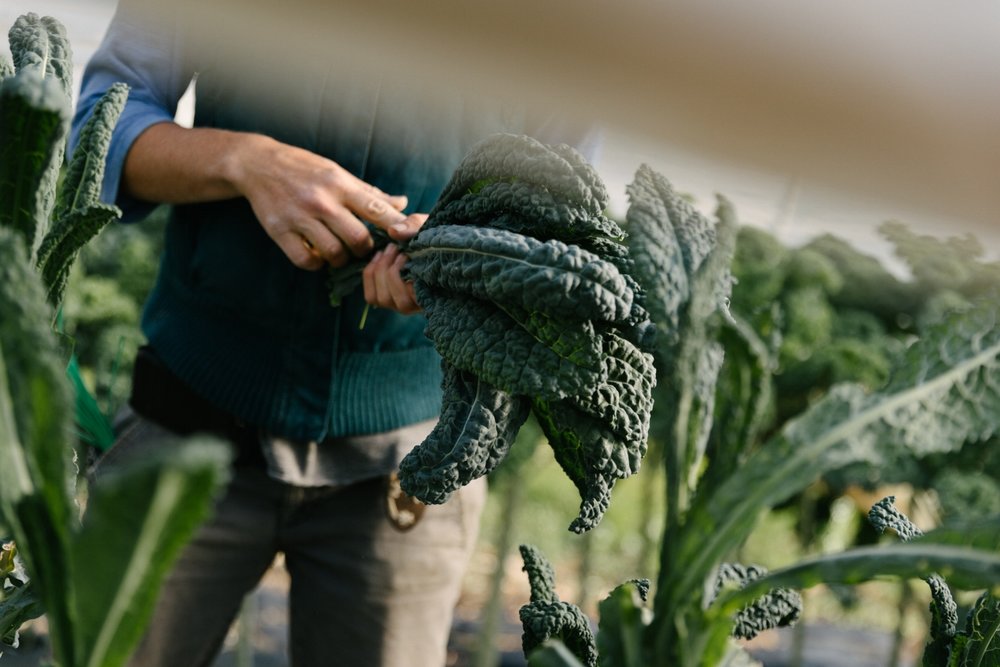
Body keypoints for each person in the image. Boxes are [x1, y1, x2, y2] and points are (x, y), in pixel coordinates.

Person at [71, 1, 597, 665]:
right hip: (188, 418)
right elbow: (104, 128)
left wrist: (459, 261)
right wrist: (248, 161)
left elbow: (560, 219)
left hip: (412, 467)